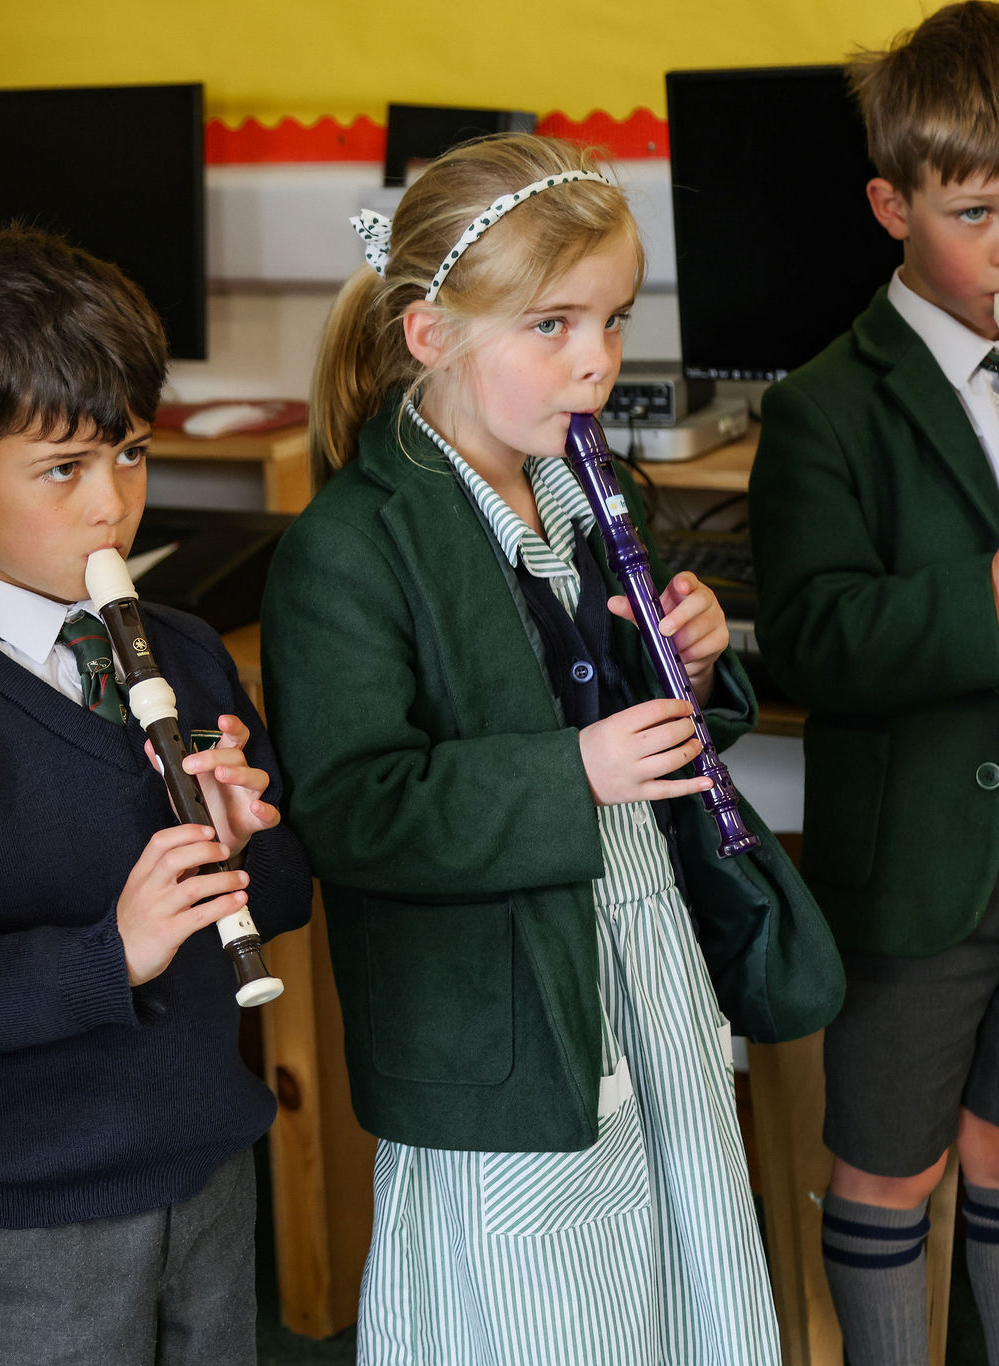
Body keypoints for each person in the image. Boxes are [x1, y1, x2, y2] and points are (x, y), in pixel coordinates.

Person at [261, 133, 839, 1364]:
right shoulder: (350, 546)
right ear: (430, 336)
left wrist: (692, 663)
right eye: (552, 325)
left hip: (637, 943)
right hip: (495, 999)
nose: (596, 362)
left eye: (613, 321)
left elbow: (644, 717)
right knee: (533, 1301)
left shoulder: (586, 489)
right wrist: (569, 774)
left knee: (677, 1256)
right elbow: (353, 810)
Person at [0, 226, 313, 1366]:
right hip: (24, 1208)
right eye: (62, 470)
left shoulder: (183, 652)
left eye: (130, 454)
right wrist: (113, 952)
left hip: (202, 1165)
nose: (112, 507)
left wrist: (246, 840)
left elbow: (278, 896)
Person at [750, 6, 999, 1362]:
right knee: (891, 1166)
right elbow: (806, 638)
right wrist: (991, 593)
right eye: (976, 211)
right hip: (917, 865)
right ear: (890, 204)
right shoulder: (824, 408)